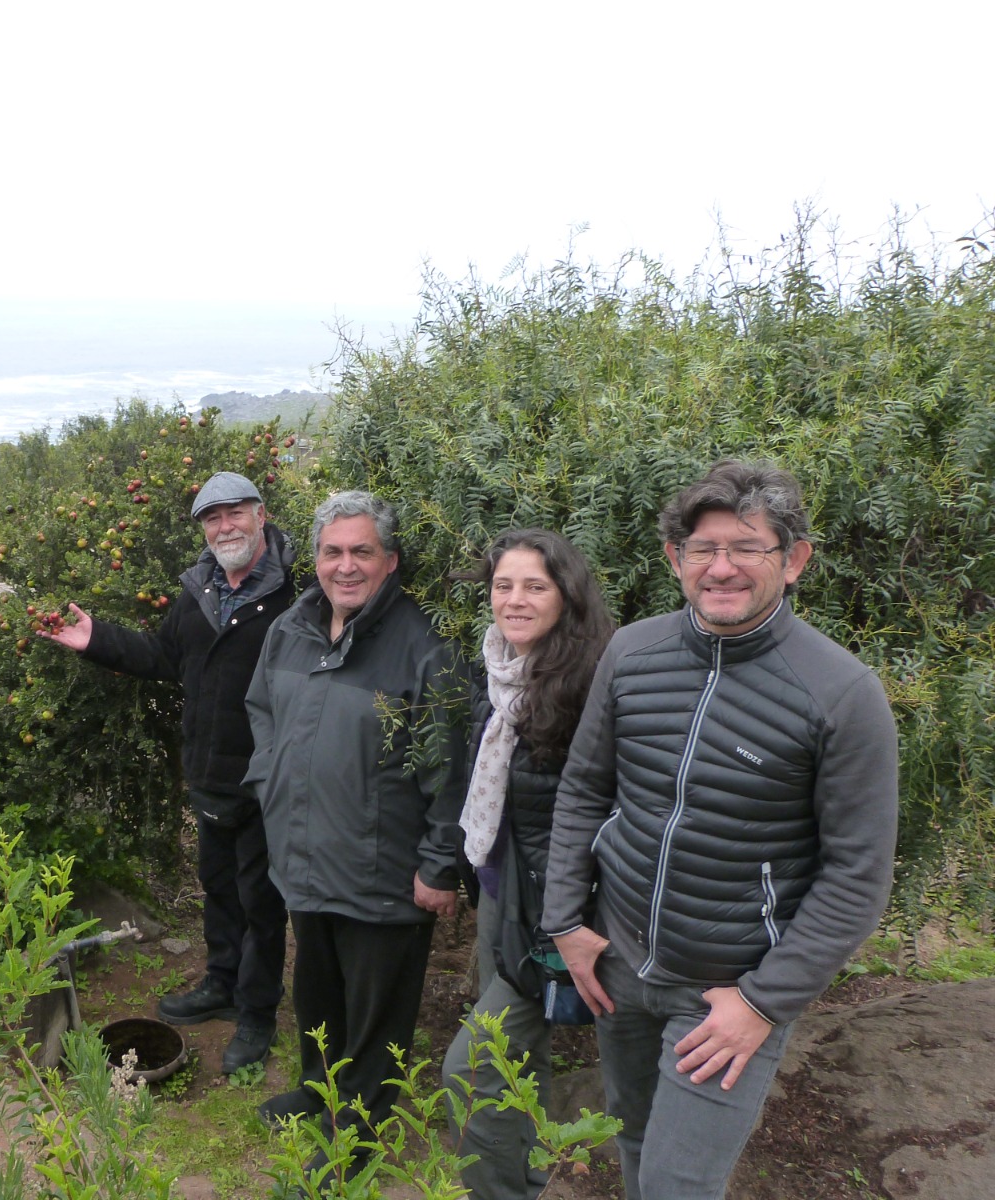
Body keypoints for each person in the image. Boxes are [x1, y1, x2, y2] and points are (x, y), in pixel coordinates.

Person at [543, 460, 900, 1200]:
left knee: (680, 1184)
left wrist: (763, 1002)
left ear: (793, 560)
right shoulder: (632, 653)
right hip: (617, 969)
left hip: (726, 998)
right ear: (677, 559)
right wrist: (567, 924)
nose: (723, 568)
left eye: (748, 547)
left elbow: (857, 877)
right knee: (633, 1140)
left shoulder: (841, 694)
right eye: (703, 549)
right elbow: (583, 787)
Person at [42, 471, 294, 1074]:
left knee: (262, 902)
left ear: (261, 514)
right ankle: (221, 981)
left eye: (235, 512)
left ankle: (257, 1011)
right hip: (209, 773)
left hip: (269, 779)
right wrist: (95, 638)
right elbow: (163, 657)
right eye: (212, 518)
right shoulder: (200, 589)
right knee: (219, 889)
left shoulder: (294, 593)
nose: (224, 526)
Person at [244, 490, 465, 1156]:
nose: (346, 566)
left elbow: (453, 766)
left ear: (390, 561)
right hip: (304, 854)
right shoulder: (291, 629)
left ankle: (360, 1133)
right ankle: (319, 1089)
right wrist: (270, 781)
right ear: (314, 558)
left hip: (384, 872)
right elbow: (261, 710)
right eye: (332, 551)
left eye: (361, 552)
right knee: (316, 990)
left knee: (376, 1017)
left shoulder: (425, 646)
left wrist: (439, 863)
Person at [439, 529, 614, 1199]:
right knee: (519, 1055)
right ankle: (532, 1173)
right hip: (499, 889)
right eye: (503, 585)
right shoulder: (502, 669)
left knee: (473, 1065)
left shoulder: (586, 689)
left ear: (567, 597)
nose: (514, 599)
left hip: (549, 916)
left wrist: (564, 924)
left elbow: (595, 824)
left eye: (534, 586)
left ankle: (500, 1191)